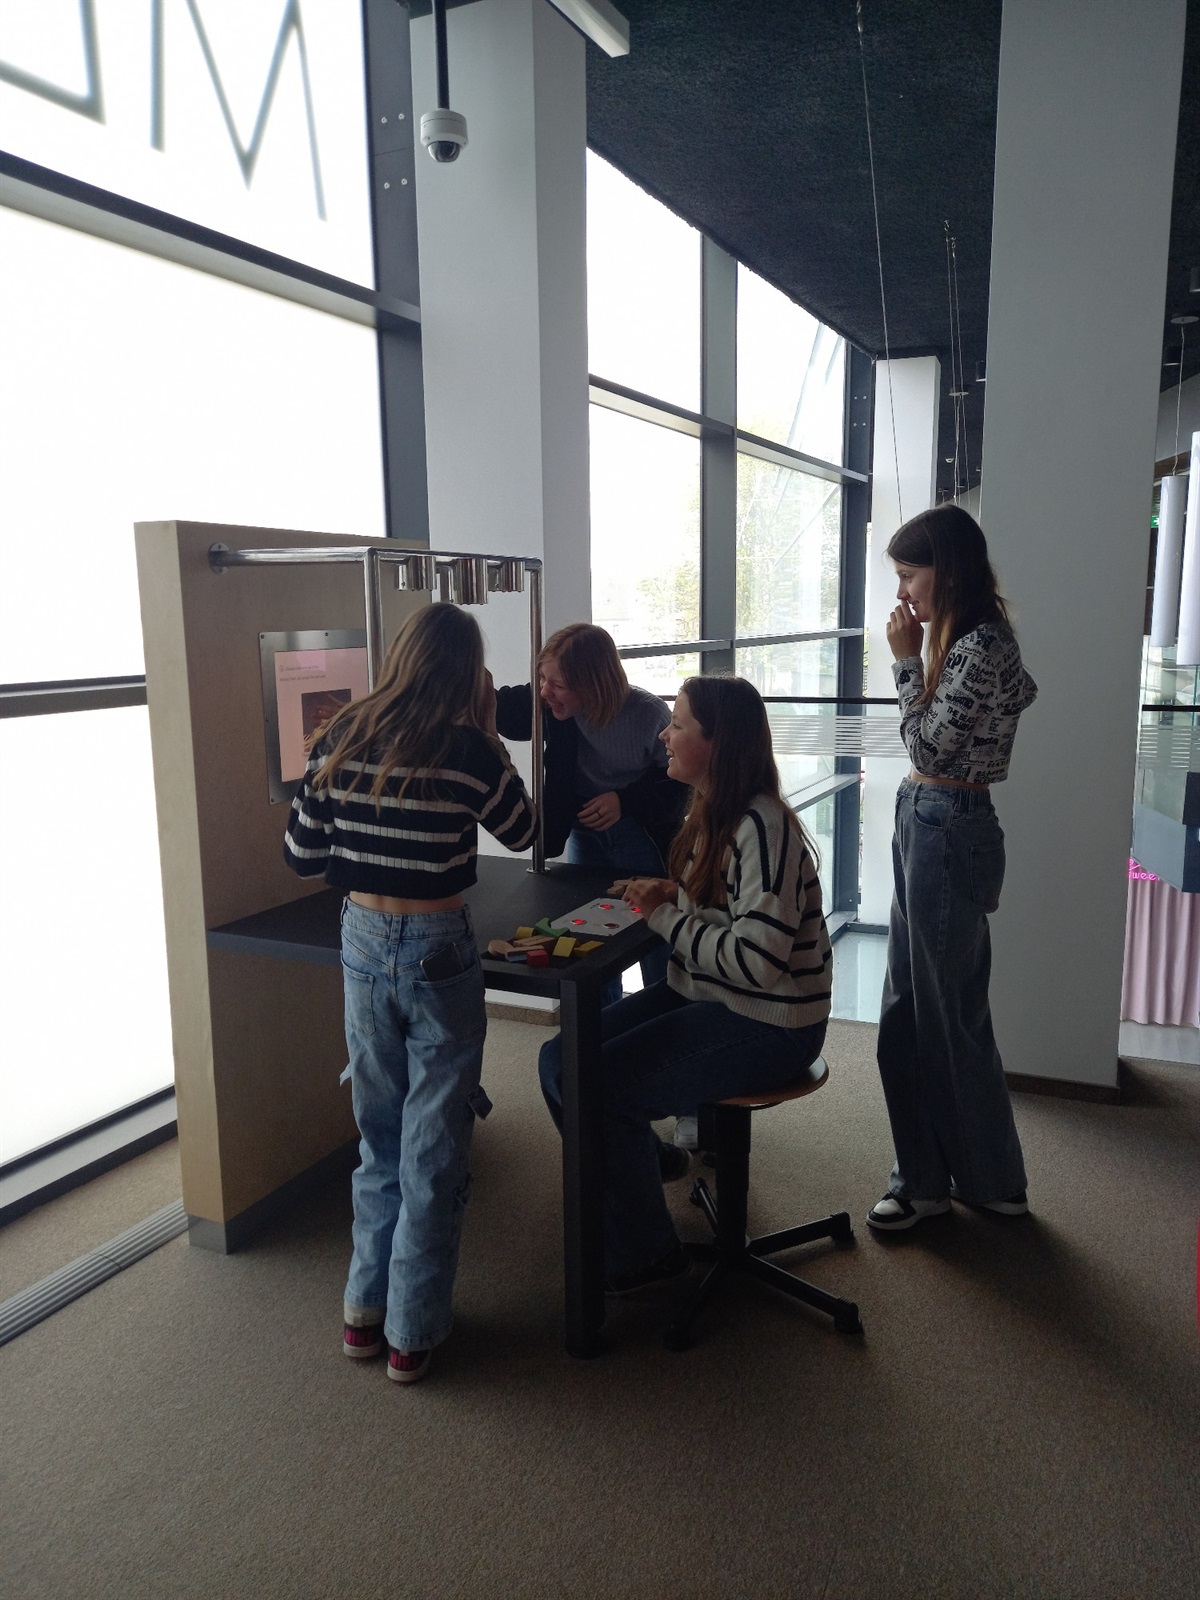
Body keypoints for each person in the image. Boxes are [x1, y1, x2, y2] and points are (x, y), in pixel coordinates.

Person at [284, 604, 537, 1381]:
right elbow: (524, 831)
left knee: (381, 1140)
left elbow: (302, 855)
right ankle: (411, 1332)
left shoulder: (339, 733)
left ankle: (363, 1314)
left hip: (361, 940)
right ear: (467, 673)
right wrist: (490, 731)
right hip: (439, 949)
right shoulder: (469, 749)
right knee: (433, 1147)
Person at [538, 675, 832, 1292]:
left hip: (770, 1020)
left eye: (677, 725)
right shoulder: (712, 814)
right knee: (558, 1060)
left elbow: (758, 962)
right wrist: (675, 894)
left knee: (601, 1084)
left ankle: (647, 1255)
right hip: (713, 992)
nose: (663, 736)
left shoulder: (762, 828)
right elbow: (730, 911)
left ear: (717, 745)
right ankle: (648, 1162)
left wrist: (665, 916)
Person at [868, 504, 1037, 1232]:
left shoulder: (980, 644)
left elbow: (929, 749)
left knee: (936, 1019)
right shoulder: (971, 639)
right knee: (920, 1011)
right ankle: (960, 1178)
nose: (902, 591)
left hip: (946, 819)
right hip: (934, 818)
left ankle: (945, 1182)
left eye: (910, 574)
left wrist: (906, 662)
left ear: (949, 569)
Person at [495, 622, 687, 1004]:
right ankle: (602, 1022)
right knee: (591, 934)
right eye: (542, 679)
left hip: (641, 833)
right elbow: (499, 708)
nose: (544, 692)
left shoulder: (648, 713)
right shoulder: (552, 704)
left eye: (557, 684)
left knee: (656, 932)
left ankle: (665, 1013)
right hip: (584, 830)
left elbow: (678, 785)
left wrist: (624, 801)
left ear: (594, 684)